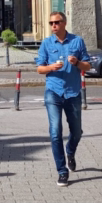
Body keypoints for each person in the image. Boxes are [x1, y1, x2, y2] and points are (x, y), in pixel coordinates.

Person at [35, 12, 91, 187]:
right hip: (53, 92)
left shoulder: (77, 41)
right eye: (51, 23)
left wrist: (77, 63)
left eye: (57, 22)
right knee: (55, 132)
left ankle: (70, 151)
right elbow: (39, 69)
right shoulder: (46, 43)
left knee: (76, 132)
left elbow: (88, 65)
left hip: (73, 93)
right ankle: (62, 171)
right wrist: (51, 67)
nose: (53, 25)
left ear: (64, 23)